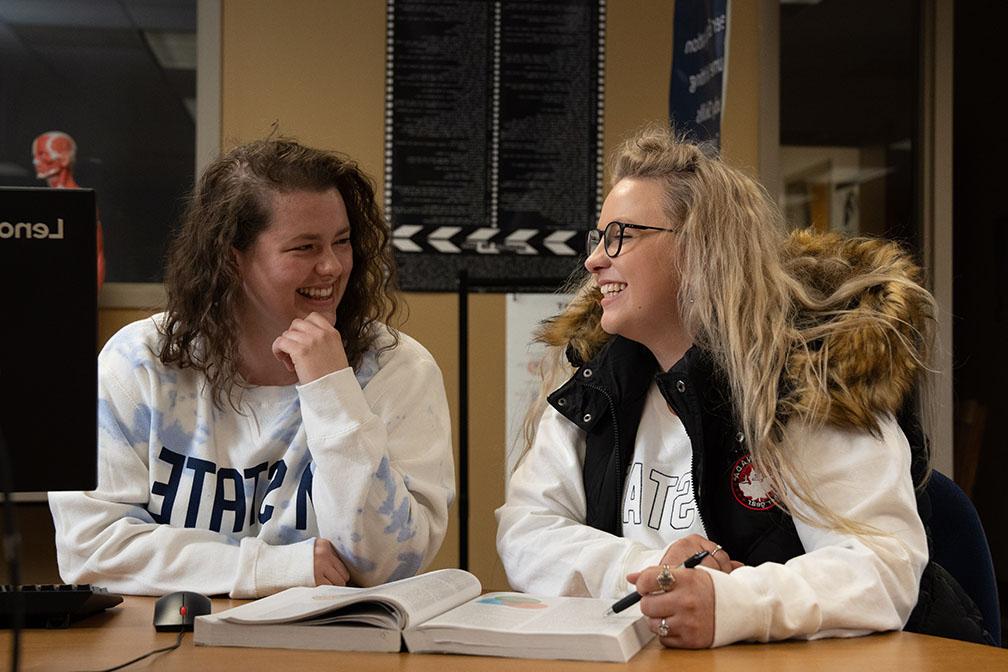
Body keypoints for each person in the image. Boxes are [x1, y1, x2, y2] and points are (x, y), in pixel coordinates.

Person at [496, 124, 990, 648]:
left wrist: (730, 603)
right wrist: (652, 570)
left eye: (622, 235)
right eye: (598, 238)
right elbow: (526, 530)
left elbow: (881, 568)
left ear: (702, 249)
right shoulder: (599, 384)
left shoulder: (810, 380)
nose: (595, 260)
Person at [49, 138, 455, 598]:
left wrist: (332, 390)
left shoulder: (396, 368)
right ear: (232, 257)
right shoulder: (139, 362)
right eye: (304, 248)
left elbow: (388, 564)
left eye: (342, 242)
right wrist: (273, 567)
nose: (332, 266)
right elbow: (90, 549)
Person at [31, 130, 106, 289]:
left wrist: (90, 299)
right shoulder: (39, 202)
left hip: (72, 290)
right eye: (35, 155)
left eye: (42, 154)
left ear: (64, 158)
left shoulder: (80, 201)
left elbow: (97, 254)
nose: (36, 161)